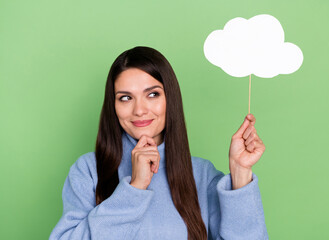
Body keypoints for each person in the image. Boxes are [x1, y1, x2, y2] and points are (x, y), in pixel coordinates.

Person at [49, 46, 268, 240]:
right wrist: (135, 188)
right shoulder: (88, 171)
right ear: (113, 105)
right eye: (125, 98)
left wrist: (240, 174)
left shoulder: (202, 175)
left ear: (169, 99)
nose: (139, 110)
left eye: (152, 94)